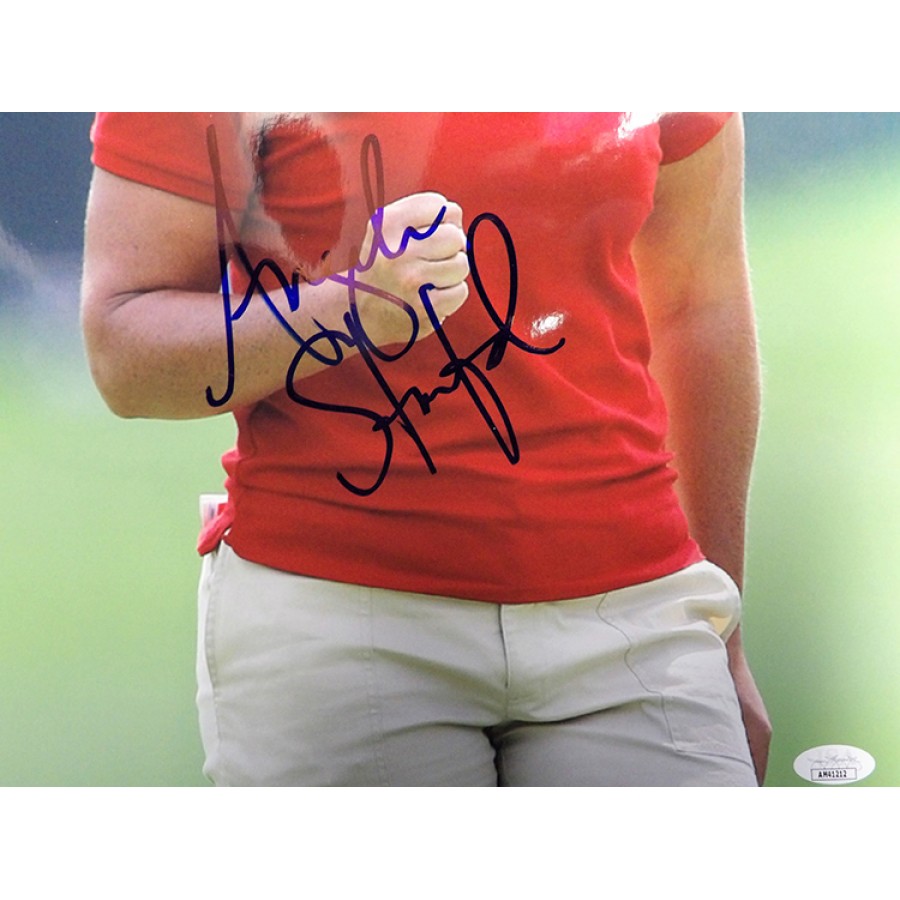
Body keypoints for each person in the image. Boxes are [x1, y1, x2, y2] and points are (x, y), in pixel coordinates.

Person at [81, 112, 771, 786]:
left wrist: (726, 636)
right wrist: (351, 310)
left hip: (635, 615)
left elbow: (697, 304)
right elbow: (124, 354)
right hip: (336, 625)